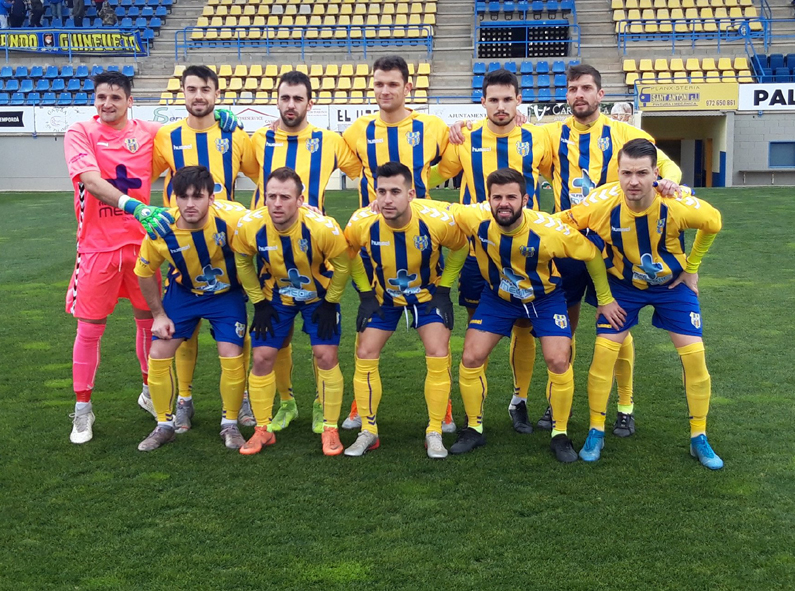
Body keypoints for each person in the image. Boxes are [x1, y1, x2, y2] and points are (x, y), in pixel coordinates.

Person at [450, 64, 682, 434]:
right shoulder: (549, 134)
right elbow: (507, 133)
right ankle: (534, 403)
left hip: (614, 245)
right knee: (563, 329)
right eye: (573, 89)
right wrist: (461, 128)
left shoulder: (625, 133)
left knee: (618, 326)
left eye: (586, 88)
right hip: (564, 246)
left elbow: (667, 166)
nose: (579, 95)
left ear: (600, 94)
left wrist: (670, 185)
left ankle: (625, 406)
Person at [560, 138, 723, 470]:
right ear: (617, 172)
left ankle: (699, 437)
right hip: (624, 287)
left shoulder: (676, 202)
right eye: (626, 173)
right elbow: (563, 225)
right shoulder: (600, 204)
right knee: (604, 353)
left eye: (642, 173)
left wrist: (692, 268)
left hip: (671, 287)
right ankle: (596, 430)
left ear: (656, 174)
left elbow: (713, 223)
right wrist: (604, 295)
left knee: (695, 359)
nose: (633, 181)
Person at [444, 168, 624, 462]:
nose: (503, 203)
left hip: (545, 298)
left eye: (511, 197)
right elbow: (436, 210)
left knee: (558, 359)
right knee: (471, 356)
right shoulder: (474, 217)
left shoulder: (549, 230)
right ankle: (474, 428)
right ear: (488, 200)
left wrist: (604, 299)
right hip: (499, 298)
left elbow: (591, 254)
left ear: (525, 199)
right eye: (497, 197)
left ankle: (560, 434)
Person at [432, 68, 552, 435]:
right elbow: (435, 176)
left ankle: (520, 400)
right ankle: (476, 412)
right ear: (482, 102)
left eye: (507, 99)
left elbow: (560, 174)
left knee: (525, 325)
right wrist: (450, 136)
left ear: (519, 100)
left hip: (523, 251)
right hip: (476, 252)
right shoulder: (465, 139)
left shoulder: (538, 137)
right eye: (493, 99)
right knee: (476, 328)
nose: (500, 106)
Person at [341, 54, 455, 433]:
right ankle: (360, 405)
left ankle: (445, 408)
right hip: (376, 243)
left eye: (393, 83)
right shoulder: (357, 131)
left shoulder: (433, 126)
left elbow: (451, 166)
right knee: (367, 326)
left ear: (408, 87)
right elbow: (350, 169)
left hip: (425, 239)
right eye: (378, 83)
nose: (385, 90)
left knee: (437, 333)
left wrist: (461, 132)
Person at [63, 71, 173, 444]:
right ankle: (82, 409)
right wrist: (133, 206)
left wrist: (222, 120)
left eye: (114, 97)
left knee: (148, 323)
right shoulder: (80, 132)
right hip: (97, 248)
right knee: (90, 329)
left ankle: (148, 390)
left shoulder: (151, 132)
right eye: (100, 97)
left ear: (130, 101)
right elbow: (90, 180)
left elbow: (189, 137)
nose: (106, 103)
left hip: (143, 248)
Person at [249, 70, 362, 434]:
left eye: (298, 98)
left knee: (320, 336)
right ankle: (286, 402)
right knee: (274, 334)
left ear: (310, 103)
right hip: (270, 249)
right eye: (285, 98)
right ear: (277, 101)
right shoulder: (258, 139)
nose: (291, 105)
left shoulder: (329, 140)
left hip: (316, 249)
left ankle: (319, 403)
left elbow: (364, 170)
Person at [152, 64, 260, 433]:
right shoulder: (165, 136)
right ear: (182, 93)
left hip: (226, 246)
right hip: (182, 245)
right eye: (191, 89)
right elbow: (142, 174)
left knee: (233, 331)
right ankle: (184, 400)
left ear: (217, 94)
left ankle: (240, 399)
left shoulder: (234, 135)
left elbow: (261, 175)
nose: (198, 96)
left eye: (205, 89)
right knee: (185, 332)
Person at [344, 162, 470, 459]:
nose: (387, 199)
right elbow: (346, 251)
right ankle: (369, 431)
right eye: (382, 191)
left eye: (395, 192)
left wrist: (444, 290)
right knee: (364, 353)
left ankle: (435, 430)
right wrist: (364, 293)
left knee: (439, 353)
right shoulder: (362, 221)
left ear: (411, 193)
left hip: (427, 296)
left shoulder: (437, 221)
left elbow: (461, 247)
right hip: (383, 298)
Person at [233, 167, 352, 457]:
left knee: (326, 355)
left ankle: (330, 427)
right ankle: (262, 429)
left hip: (318, 297)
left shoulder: (323, 227)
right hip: (275, 297)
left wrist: (331, 301)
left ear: (300, 199)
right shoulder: (250, 226)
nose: (276, 203)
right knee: (262, 357)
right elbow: (242, 262)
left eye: (285, 197)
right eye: (271, 196)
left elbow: (343, 266)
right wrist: (258, 302)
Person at [135, 166, 250, 452]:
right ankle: (164, 425)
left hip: (226, 294)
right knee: (159, 351)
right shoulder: (161, 229)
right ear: (173, 198)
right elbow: (144, 272)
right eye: (182, 196)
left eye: (197, 196)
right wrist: (159, 315)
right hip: (183, 293)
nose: (189, 204)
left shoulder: (234, 217)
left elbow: (266, 231)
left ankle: (230, 424)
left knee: (231, 353)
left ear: (212, 197)